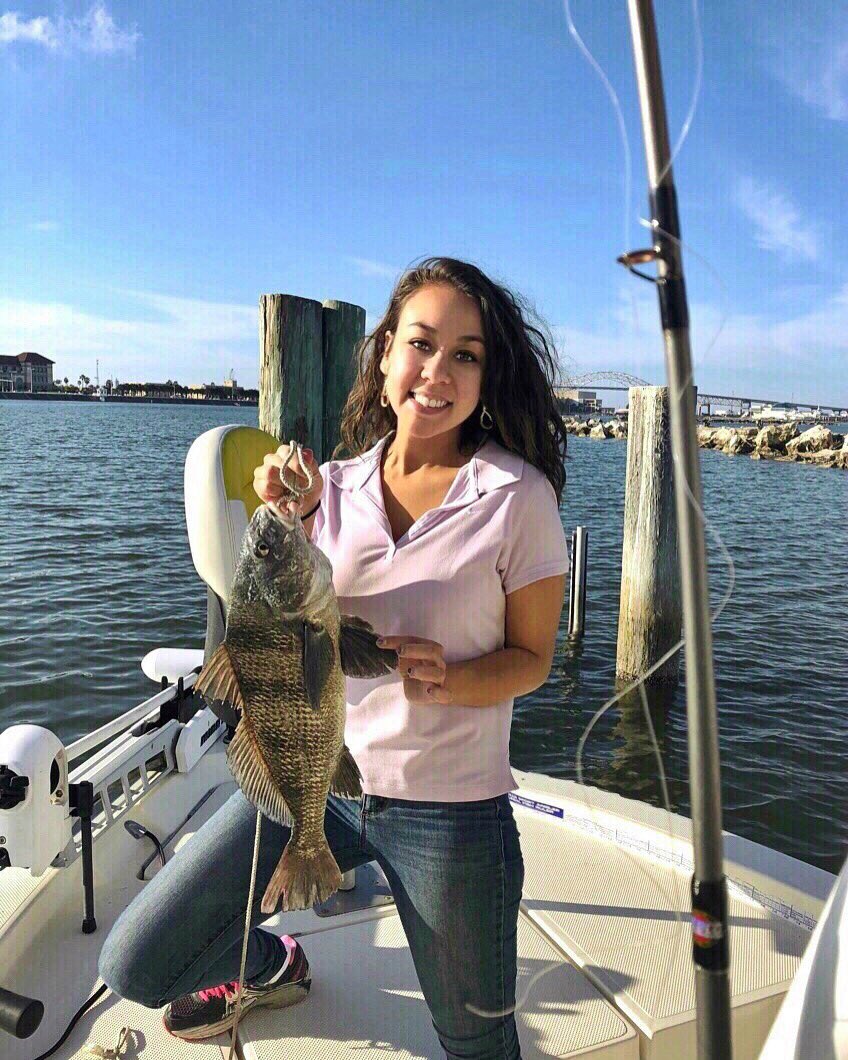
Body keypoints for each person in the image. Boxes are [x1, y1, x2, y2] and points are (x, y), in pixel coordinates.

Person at [98, 256, 570, 1059]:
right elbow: (267, 625)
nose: (437, 371)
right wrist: (281, 508)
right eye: (420, 344)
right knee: (135, 962)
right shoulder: (334, 488)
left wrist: (453, 680)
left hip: (449, 813)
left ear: (488, 378)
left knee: (475, 1043)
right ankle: (272, 961)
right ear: (384, 354)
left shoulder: (517, 497)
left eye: (466, 354)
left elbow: (532, 658)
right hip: (318, 787)